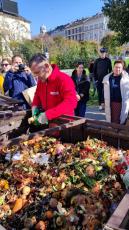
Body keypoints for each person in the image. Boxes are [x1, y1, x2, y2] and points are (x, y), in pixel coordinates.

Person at [29, 53, 77, 125]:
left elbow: (71, 102)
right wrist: (34, 106)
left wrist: (47, 114)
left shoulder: (64, 79)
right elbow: (37, 94)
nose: (36, 77)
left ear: (47, 66)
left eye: (37, 72)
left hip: (65, 124)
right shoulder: (41, 80)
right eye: (34, 74)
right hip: (51, 124)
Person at [103, 60, 129, 124]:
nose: (117, 69)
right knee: (111, 120)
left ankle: (117, 133)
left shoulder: (126, 78)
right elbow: (103, 91)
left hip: (121, 103)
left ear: (122, 68)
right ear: (113, 67)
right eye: (116, 67)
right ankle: (113, 133)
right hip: (110, 103)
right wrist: (102, 101)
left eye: (119, 67)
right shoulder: (108, 78)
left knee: (120, 121)